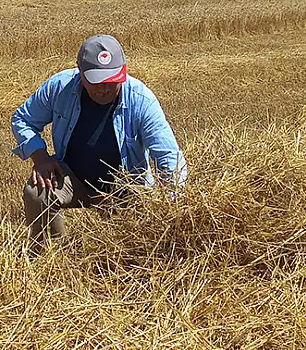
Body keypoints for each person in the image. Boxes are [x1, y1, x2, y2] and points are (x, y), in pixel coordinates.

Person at [11, 34, 187, 248]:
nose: (105, 88)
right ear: (80, 73)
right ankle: (49, 256)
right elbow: (22, 119)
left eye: (112, 81)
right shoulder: (60, 87)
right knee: (37, 192)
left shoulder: (141, 100)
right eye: (98, 81)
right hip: (74, 178)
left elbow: (168, 156)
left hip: (127, 187)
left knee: (130, 251)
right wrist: (40, 158)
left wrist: (172, 205)